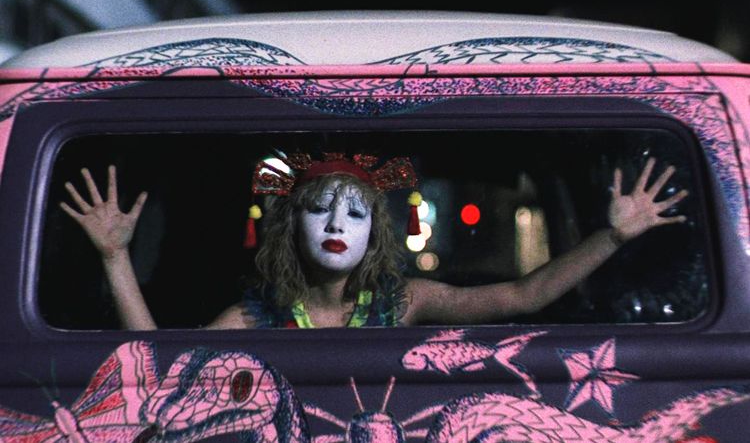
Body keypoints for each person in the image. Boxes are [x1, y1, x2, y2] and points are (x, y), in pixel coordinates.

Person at [60, 155, 688, 330]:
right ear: (291, 228)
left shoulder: (405, 301)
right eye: (319, 210)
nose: (337, 225)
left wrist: (612, 235)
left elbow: (523, 296)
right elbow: (161, 370)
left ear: (374, 235)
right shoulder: (255, 318)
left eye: (355, 214)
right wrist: (115, 257)